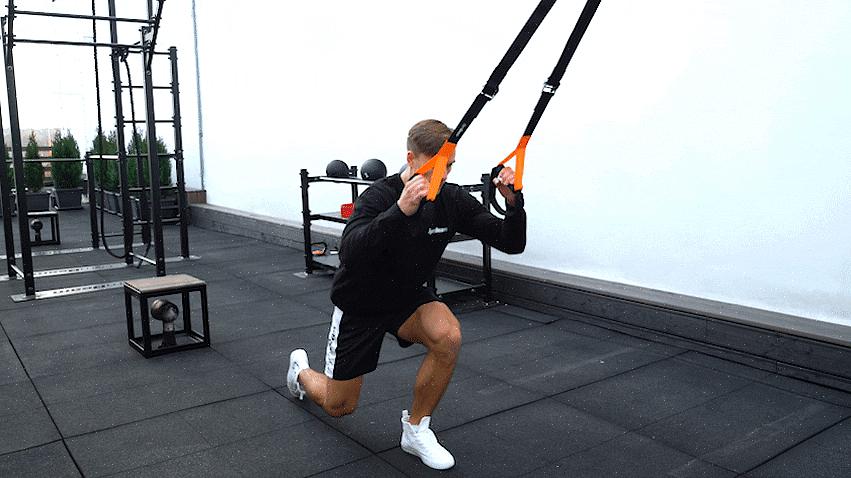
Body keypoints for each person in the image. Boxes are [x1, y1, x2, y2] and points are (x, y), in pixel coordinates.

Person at [287, 119, 526, 470]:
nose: (442, 175)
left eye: (449, 167)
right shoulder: (380, 196)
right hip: (361, 302)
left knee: (448, 335)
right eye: (435, 167)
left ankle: (415, 429)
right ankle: (301, 373)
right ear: (411, 159)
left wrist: (514, 204)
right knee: (340, 406)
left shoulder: (451, 199)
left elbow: (510, 242)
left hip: (407, 298)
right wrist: (399, 212)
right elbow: (350, 252)